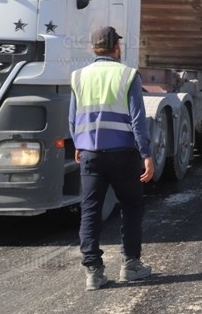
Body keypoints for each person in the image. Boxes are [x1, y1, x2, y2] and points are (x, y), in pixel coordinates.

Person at [69, 26, 155, 291]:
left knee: (90, 211)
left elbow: (73, 117)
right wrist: (147, 154)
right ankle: (131, 265)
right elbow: (138, 120)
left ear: (94, 48)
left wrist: (79, 143)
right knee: (131, 206)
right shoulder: (128, 75)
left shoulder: (79, 76)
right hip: (122, 155)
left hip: (90, 155)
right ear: (116, 48)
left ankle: (93, 272)